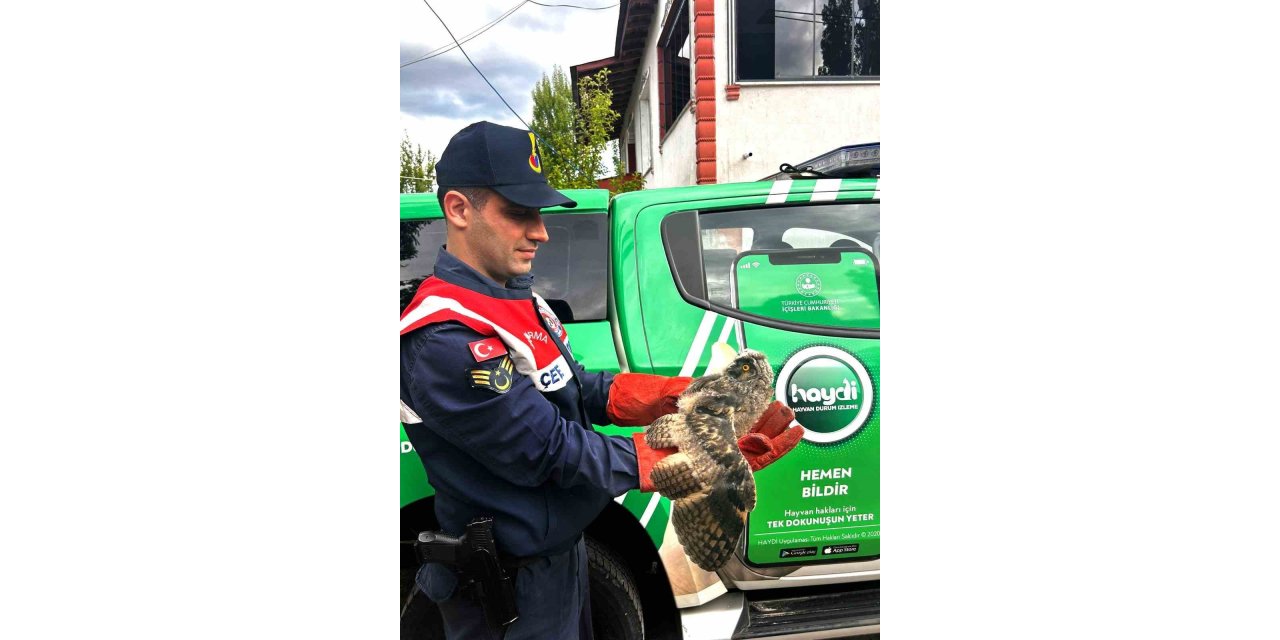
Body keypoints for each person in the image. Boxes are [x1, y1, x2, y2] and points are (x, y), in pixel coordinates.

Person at [399, 121, 804, 639]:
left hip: (560, 561)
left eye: (540, 213)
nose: (541, 231)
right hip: (506, 589)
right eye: (519, 213)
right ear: (458, 209)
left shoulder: (516, 300)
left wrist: (681, 396)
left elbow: (576, 388)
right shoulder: (443, 337)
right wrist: (697, 460)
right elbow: (548, 450)